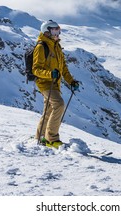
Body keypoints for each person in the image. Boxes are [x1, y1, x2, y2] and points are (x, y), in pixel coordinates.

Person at [32, 19, 79, 148]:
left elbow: (63, 67)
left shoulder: (56, 45)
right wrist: (49, 74)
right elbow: (35, 69)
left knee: (49, 109)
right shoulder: (42, 47)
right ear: (47, 32)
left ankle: (40, 136)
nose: (57, 33)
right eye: (54, 30)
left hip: (54, 83)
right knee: (59, 104)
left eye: (58, 30)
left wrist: (71, 81)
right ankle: (51, 139)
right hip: (45, 83)